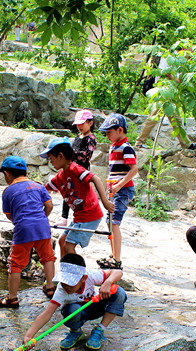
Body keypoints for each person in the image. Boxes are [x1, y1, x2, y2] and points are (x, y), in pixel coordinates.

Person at [23, 253, 126, 351]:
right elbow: (47, 313)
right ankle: (75, 331)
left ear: (83, 278)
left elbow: (118, 272)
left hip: (96, 307)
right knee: (71, 309)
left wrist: (108, 282)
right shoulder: (61, 290)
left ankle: (99, 330)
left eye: (71, 282)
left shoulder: (89, 275)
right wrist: (29, 336)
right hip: (77, 313)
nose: (66, 286)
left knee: (119, 292)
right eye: (63, 281)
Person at [0, 155, 56, 308]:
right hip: (43, 226)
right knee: (48, 256)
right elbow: (49, 206)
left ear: (7, 173)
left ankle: (12, 298)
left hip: (23, 228)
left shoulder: (8, 191)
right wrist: (41, 219)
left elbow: (9, 215)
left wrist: (22, 222)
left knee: (15, 263)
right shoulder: (38, 186)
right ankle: (50, 287)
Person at [41, 137, 114, 258]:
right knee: (62, 241)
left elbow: (95, 178)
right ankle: (65, 270)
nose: (51, 162)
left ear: (60, 156)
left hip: (90, 215)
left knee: (69, 246)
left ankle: (77, 273)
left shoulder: (75, 168)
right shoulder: (60, 176)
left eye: (51, 158)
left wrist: (104, 201)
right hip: (79, 217)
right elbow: (44, 188)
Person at [97, 113, 138, 270]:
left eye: (109, 132)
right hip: (115, 190)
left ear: (120, 130)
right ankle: (113, 256)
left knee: (114, 222)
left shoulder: (126, 148)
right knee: (109, 221)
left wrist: (119, 185)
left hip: (123, 190)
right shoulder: (114, 146)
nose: (107, 135)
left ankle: (117, 259)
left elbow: (134, 170)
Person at [59, 109, 97, 225]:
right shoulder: (77, 137)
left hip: (81, 171)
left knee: (79, 195)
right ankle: (64, 217)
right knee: (67, 192)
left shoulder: (91, 139)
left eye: (82, 123)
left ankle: (82, 217)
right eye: (78, 124)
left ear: (90, 123)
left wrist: (71, 153)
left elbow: (86, 156)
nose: (80, 126)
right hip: (70, 169)